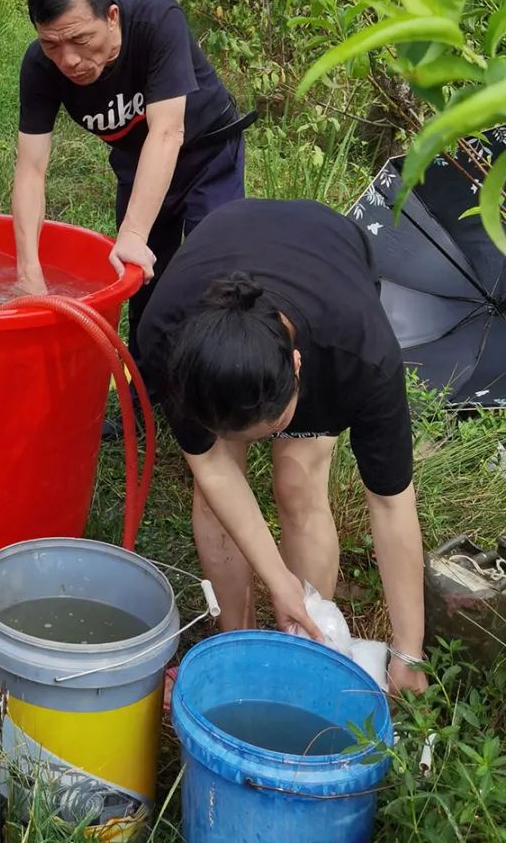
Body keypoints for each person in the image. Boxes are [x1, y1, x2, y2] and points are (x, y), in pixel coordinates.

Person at [137, 197, 428, 696]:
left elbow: (390, 502)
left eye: (271, 424)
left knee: (298, 482)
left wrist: (408, 652)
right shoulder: (169, 339)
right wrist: (278, 580)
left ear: (296, 366)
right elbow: (211, 468)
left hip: (326, 250)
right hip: (222, 240)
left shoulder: (362, 357)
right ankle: (239, 640)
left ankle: (306, 652)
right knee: (214, 493)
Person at [13, 0, 252, 351]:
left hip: (207, 154)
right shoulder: (41, 66)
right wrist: (28, 271)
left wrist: (134, 231)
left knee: (217, 272)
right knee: (140, 278)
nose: (68, 60)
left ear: (110, 16)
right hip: (138, 164)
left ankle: (218, 377)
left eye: (80, 40)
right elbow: (31, 168)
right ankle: (147, 385)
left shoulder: (156, 20)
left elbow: (167, 131)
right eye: (51, 44)